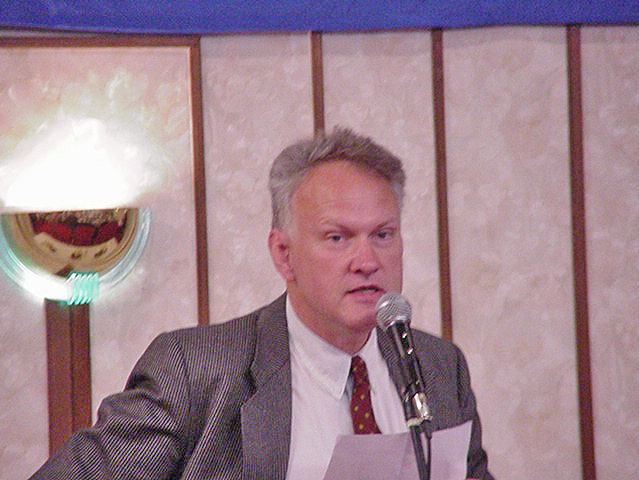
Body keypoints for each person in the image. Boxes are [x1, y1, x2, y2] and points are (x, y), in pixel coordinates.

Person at [30, 127, 493, 480]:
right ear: (284, 254)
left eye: (383, 235)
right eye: (337, 238)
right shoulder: (195, 371)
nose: (367, 261)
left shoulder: (438, 367)